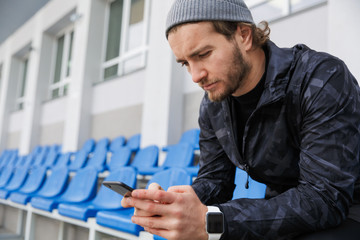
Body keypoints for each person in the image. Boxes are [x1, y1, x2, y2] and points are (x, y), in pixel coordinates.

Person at [122, 0, 360, 239]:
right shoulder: (213, 104)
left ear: (244, 35)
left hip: (347, 209)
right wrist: (177, 203)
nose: (195, 76)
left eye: (203, 54)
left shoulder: (321, 79)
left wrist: (213, 220)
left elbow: (324, 199)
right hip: (284, 210)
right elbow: (215, 180)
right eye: (186, 63)